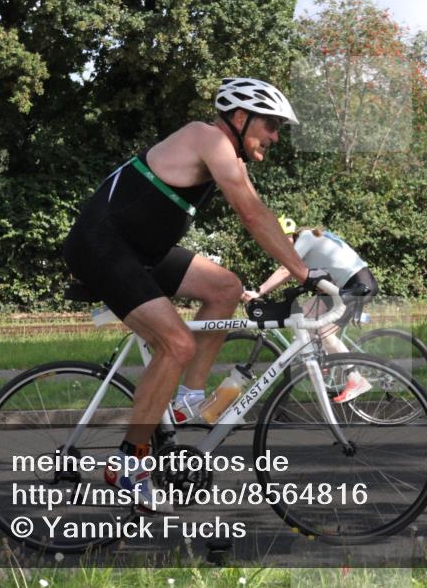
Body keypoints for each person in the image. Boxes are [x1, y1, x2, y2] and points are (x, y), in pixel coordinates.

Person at [63, 78, 329, 512]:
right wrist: (303, 273)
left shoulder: (228, 156)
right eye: (271, 125)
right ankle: (129, 464)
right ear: (240, 118)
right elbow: (251, 214)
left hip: (139, 251)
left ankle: (187, 399)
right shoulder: (206, 137)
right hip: (102, 244)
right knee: (178, 342)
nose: (275, 136)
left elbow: (259, 212)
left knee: (225, 287)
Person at [241, 217, 379, 403]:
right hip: (341, 287)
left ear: (290, 235)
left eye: (283, 240)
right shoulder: (308, 240)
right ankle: (319, 360)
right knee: (305, 314)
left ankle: (355, 379)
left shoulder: (305, 238)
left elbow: (285, 270)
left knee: (324, 332)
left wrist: (259, 291)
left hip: (357, 285)